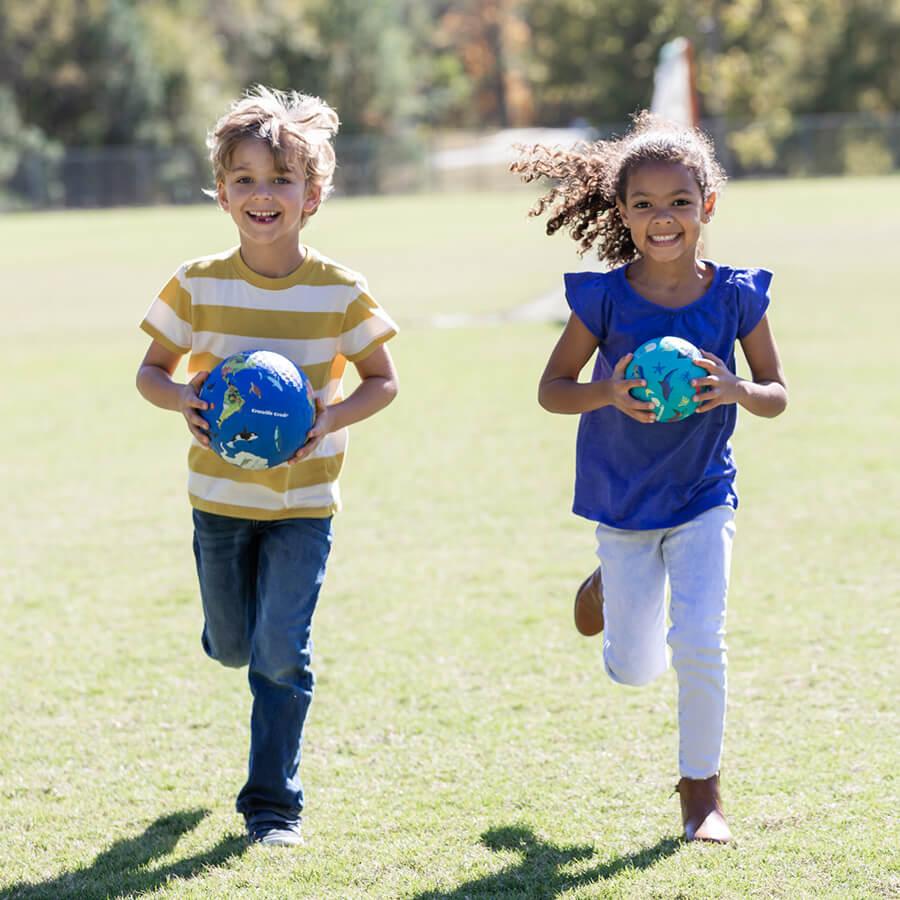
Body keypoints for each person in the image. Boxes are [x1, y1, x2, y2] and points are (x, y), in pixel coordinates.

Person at [512, 112, 787, 843]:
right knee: (634, 669)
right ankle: (609, 579)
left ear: (708, 205)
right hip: (623, 502)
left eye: (679, 202)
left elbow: (777, 394)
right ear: (622, 212)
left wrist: (734, 388)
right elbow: (552, 388)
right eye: (644, 204)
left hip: (703, 493)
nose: (662, 218)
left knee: (700, 639)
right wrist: (606, 392)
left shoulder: (735, 296)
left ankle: (702, 795)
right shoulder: (604, 299)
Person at [136, 86, 399, 847]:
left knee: (282, 654)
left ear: (312, 195)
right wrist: (180, 397)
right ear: (222, 193)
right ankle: (226, 637)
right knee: (234, 645)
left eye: (279, 179)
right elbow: (151, 371)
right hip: (218, 500)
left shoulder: (340, 291)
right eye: (245, 180)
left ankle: (272, 806)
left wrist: (331, 416)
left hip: (302, 505)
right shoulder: (196, 282)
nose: (262, 195)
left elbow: (382, 380)